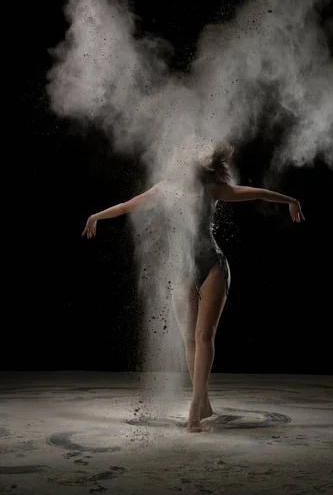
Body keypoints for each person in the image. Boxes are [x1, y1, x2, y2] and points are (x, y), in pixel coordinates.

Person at [82, 145, 305, 432]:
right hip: (182, 269)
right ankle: (205, 402)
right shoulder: (164, 190)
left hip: (212, 265)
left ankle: (194, 410)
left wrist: (290, 200)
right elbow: (128, 205)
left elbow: (257, 192)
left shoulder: (211, 189)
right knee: (189, 338)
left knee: (203, 336)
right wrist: (95, 217)